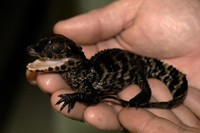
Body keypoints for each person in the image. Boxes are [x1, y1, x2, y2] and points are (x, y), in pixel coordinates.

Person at [26, 0, 200, 132]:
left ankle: (145, 92)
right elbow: (94, 97)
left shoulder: (84, 76)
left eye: (56, 49)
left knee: (140, 76)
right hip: (115, 62)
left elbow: (93, 97)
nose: (43, 52)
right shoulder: (79, 74)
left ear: (73, 57)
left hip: (137, 64)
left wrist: (73, 97)